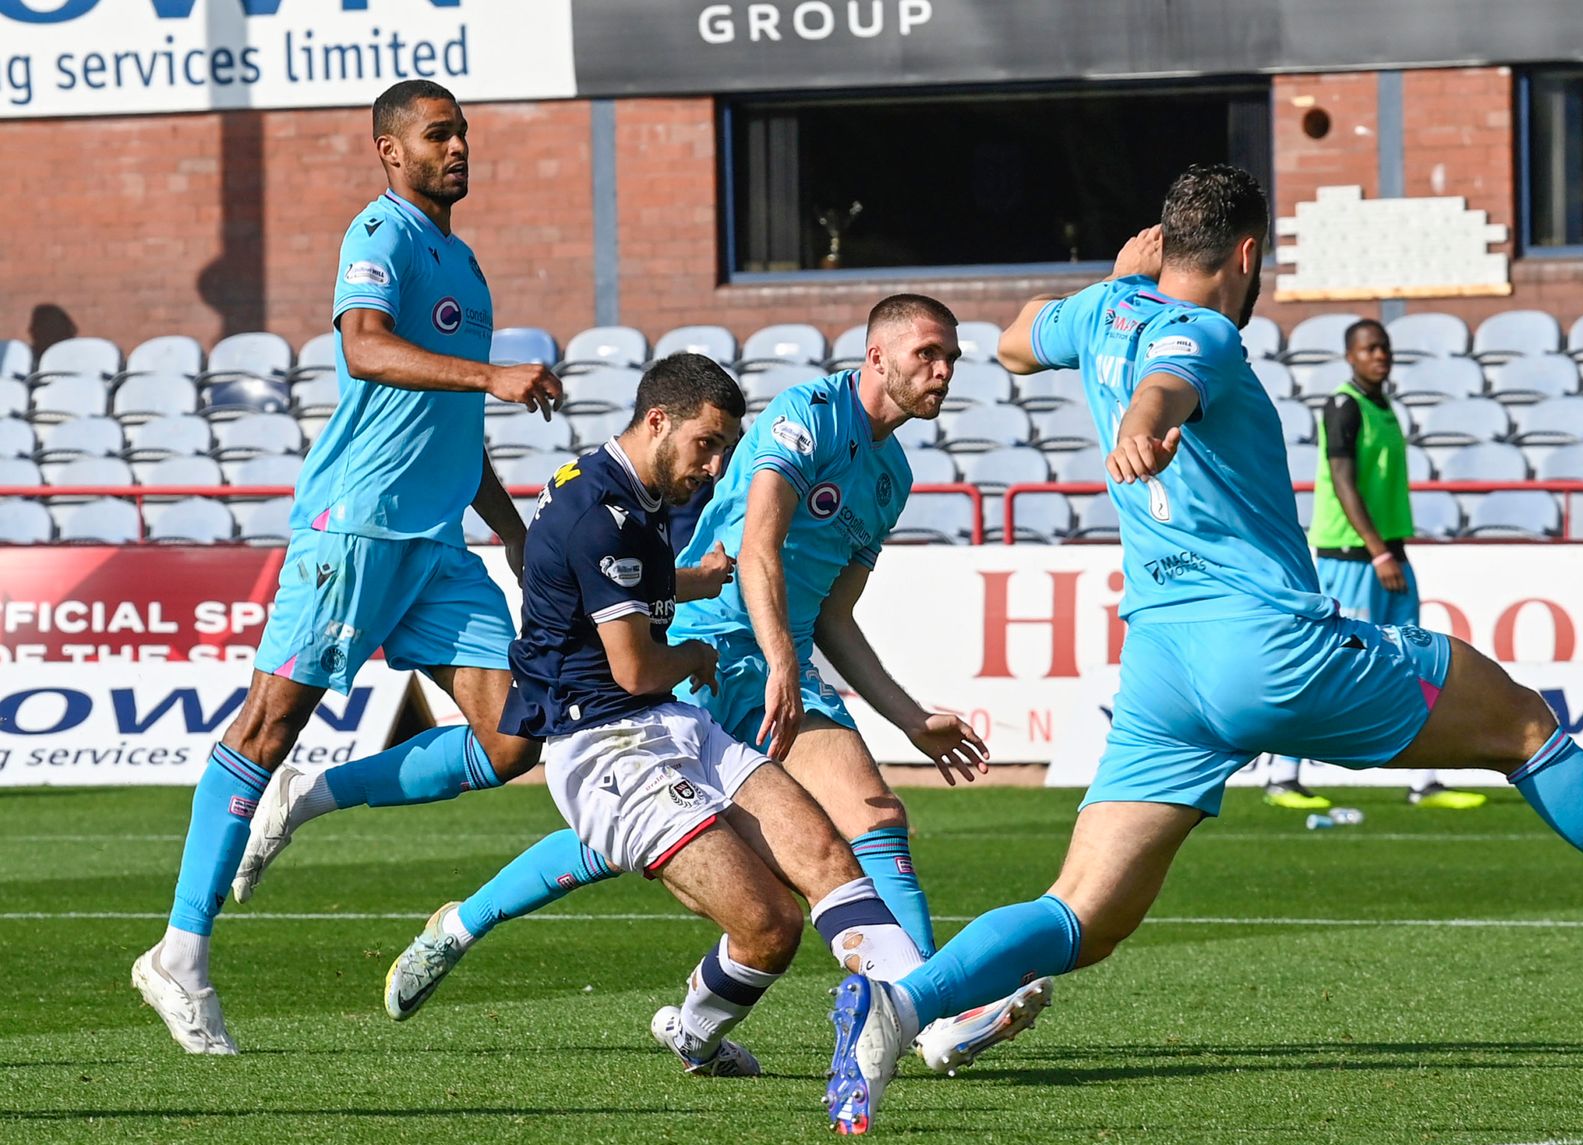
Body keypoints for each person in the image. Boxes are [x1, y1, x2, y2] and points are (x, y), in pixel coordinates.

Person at [819, 165, 1583, 1135]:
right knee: (1521, 726)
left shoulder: (1104, 312)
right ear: (1246, 253)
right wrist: (1142, 418)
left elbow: (1011, 343)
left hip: (1162, 668)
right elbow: (1173, 383)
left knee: (1082, 914)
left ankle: (897, 1010)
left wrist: (1117, 295)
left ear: (1161, 245)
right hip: (1266, 647)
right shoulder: (1205, 332)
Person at [380, 295, 1050, 1076]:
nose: (942, 371)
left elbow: (834, 615)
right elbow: (757, 548)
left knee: (853, 817)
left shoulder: (891, 475)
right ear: (877, 357)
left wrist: (906, 719)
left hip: (779, 658)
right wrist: (779, 663)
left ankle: (921, 1006)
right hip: (723, 647)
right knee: (656, 836)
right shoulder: (810, 415)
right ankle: (927, 1013)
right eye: (927, 354)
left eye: (951, 360)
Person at [132, 79, 566, 1055]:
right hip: (358, 527)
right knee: (269, 720)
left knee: (512, 738)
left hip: (437, 543)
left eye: (462, 133)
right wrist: (494, 375)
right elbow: (366, 350)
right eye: (437, 134)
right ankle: (179, 953)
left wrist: (511, 528)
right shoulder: (380, 236)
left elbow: (453, 418)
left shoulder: (459, 258)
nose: (457, 147)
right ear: (389, 150)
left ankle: (311, 797)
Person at [500, 352, 929, 1075]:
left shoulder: (614, 486)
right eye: (708, 444)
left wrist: (691, 582)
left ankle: (931, 1007)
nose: (718, 464)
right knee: (772, 926)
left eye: (729, 447)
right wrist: (697, 657)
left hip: (670, 725)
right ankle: (693, 1030)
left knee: (828, 856)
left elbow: (629, 583)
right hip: (608, 751)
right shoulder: (601, 515)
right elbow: (634, 665)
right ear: (658, 421)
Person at [1263, 317, 1484, 812]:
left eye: (1384, 348)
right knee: (1330, 661)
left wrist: (1389, 550)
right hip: (1353, 555)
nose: (1380, 355)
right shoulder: (1344, 406)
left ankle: (1424, 781)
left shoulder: (1384, 408)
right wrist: (1377, 550)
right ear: (1351, 356)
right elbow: (1344, 484)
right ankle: (1282, 774)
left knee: (1416, 660)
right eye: (1370, 349)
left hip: (1388, 552)